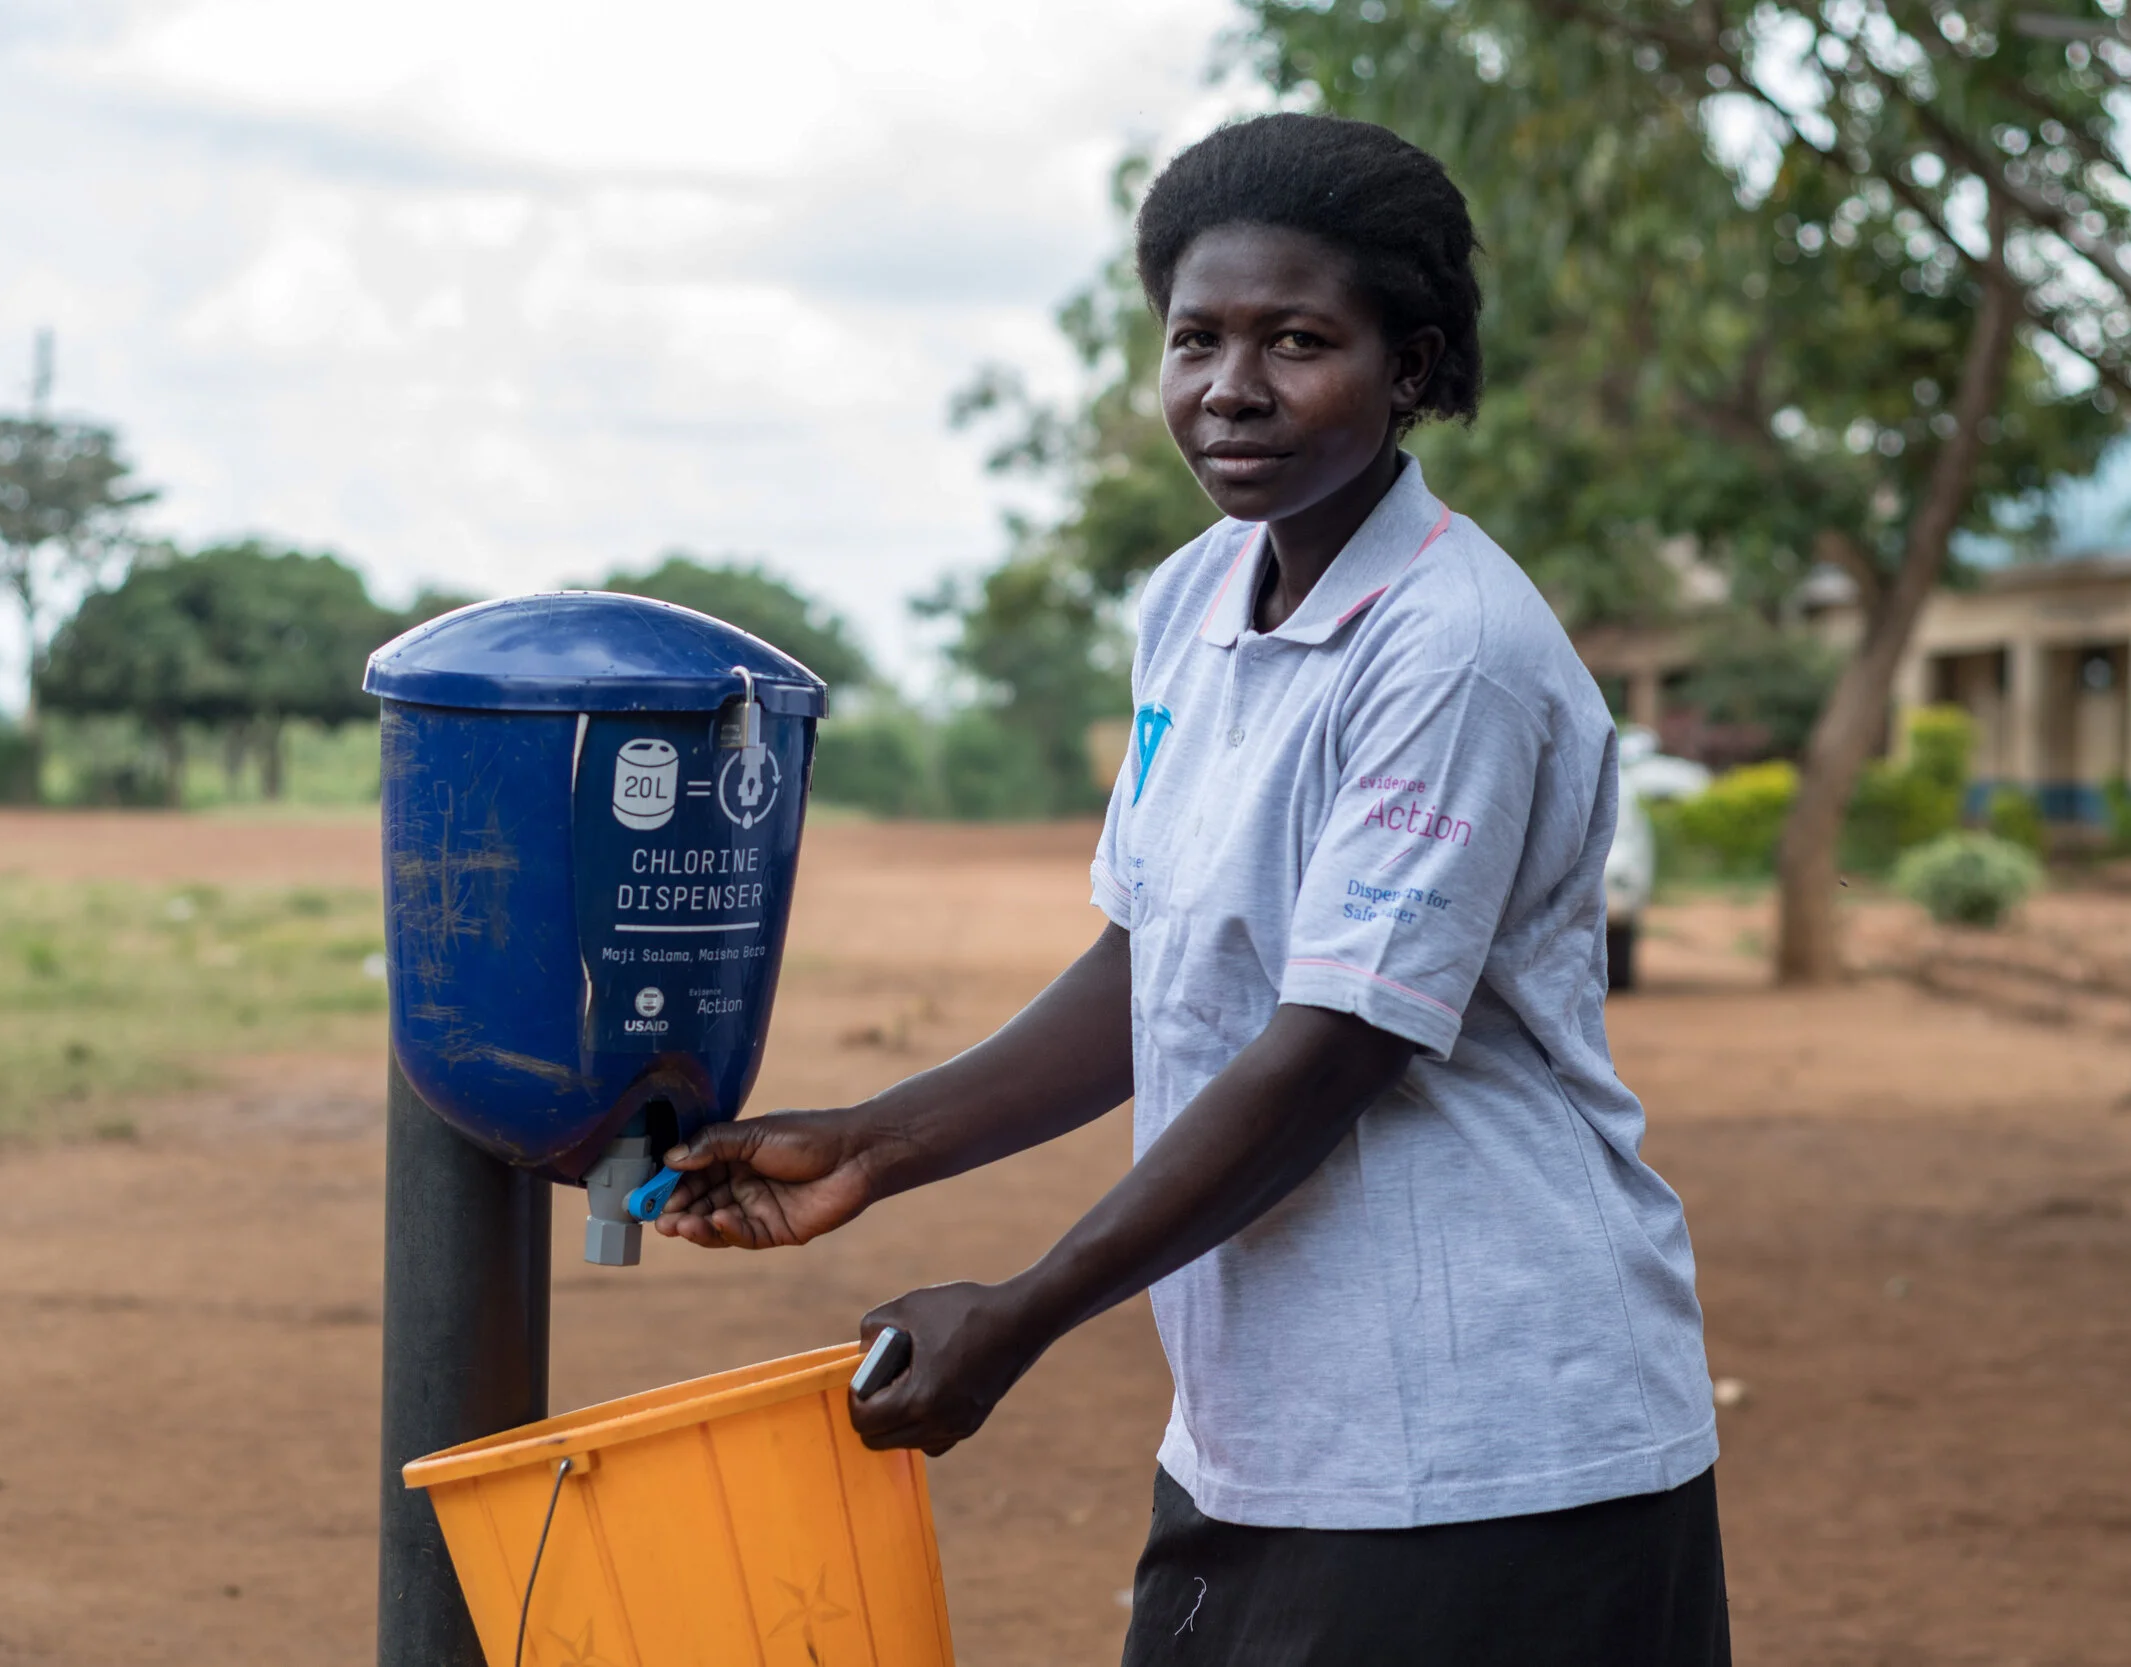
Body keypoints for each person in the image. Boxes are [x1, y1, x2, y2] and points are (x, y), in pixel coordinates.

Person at [654, 111, 1728, 1666]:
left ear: (1414, 367)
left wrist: (1023, 1307)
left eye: (1298, 340)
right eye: (1196, 339)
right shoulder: (1193, 598)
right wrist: (875, 1145)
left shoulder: (1453, 648)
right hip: (1270, 1420)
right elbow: (1149, 963)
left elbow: (1330, 1051)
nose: (1233, 387)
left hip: (1490, 1435)